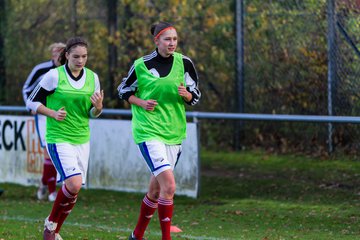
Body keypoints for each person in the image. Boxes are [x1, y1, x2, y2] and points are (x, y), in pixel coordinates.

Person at [118, 21, 201, 240]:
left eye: (174, 39)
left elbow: (195, 96)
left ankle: (136, 236)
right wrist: (141, 102)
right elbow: (124, 90)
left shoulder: (184, 62)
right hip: (148, 131)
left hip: (173, 132)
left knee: (156, 191)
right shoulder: (141, 64)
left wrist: (187, 96)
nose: (171, 43)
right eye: (167, 39)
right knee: (170, 186)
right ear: (157, 41)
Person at [26, 36, 104, 240]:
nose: (80, 60)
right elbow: (32, 103)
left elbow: (91, 113)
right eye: (76, 56)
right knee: (74, 183)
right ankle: (50, 226)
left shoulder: (93, 78)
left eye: (84, 56)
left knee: (73, 189)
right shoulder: (53, 76)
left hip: (82, 138)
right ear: (67, 55)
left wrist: (98, 108)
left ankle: (53, 231)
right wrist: (52, 113)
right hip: (58, 137)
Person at [23, 42, 66, 202]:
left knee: (59, 150)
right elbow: (27, 88)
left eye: (61, 52)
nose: (57, 54)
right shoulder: (41, 70)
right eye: (55, 52)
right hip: (44, 114)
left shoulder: (69, 72)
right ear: (51, 54)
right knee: (49, 149)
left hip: (62, 115)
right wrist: (31, 106)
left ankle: (43, 183)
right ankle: (51, 191)